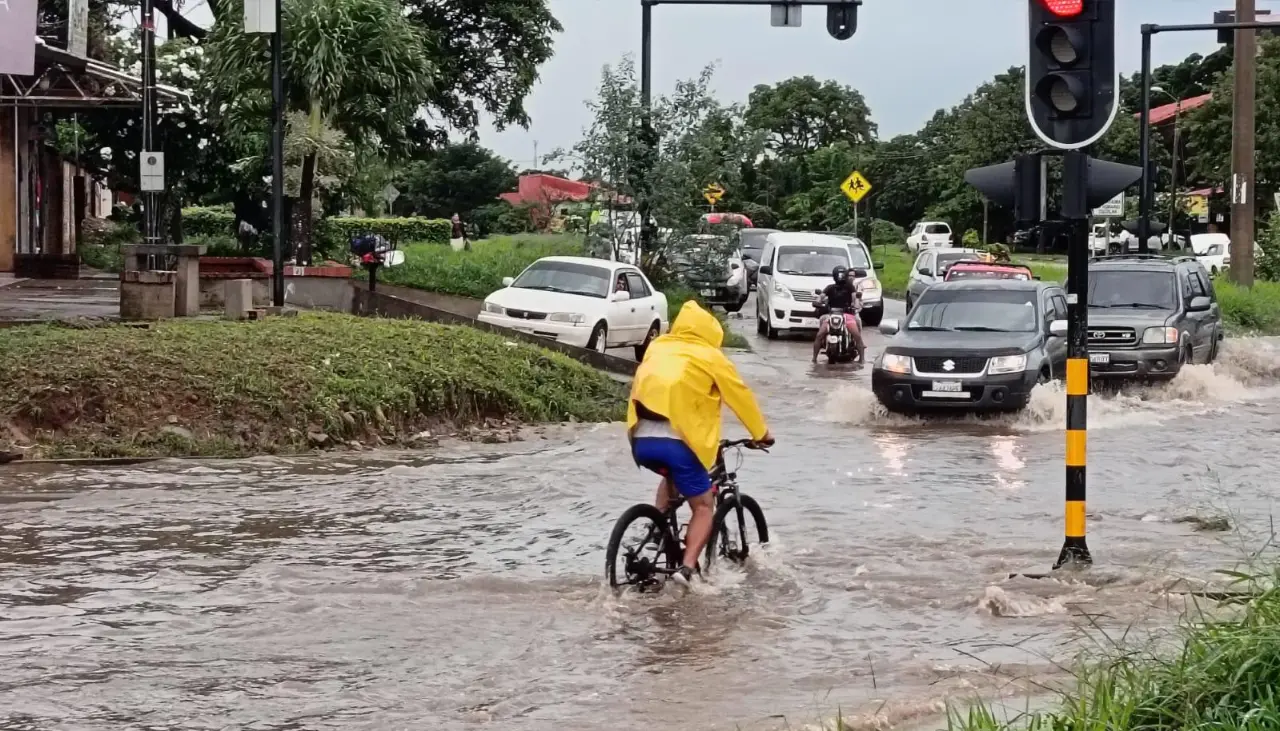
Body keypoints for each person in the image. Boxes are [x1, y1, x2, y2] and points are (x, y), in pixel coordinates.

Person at [627, 301, 774, 586]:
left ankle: (656, 529)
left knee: (669, 477)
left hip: (641, 438)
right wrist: (761, 433)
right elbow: (740, 396)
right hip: (679, 444)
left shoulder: (659, 346)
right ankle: (687, 568)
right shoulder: (710, 356)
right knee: (704, 506)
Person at [812, 266, 865, 363]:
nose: (840, 277)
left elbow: (854, 298)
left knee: (857, 335)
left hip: (847, 315)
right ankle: (814, 359)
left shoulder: (850, 287)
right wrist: (817, 302)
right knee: (819, 335)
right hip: (831, 315)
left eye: (842, 275)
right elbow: (820, 297)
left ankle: (862, 359)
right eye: (838, 275)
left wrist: (855, 304)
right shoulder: (830, 288)